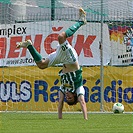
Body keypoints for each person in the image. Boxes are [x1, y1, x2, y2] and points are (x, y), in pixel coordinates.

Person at [17, 8, 88, 120]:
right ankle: (81, 21)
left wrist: (59, 119)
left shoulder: (64, 89)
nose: (68, 97)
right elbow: (82, 103)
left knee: (41, 64)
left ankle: (29, 45)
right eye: (70, 98)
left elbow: (60, 104)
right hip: (70, 59)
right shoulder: (79, 88)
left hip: (61, 59)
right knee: (61, 37)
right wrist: (85, 120)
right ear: (74, 96)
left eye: (67, 99)